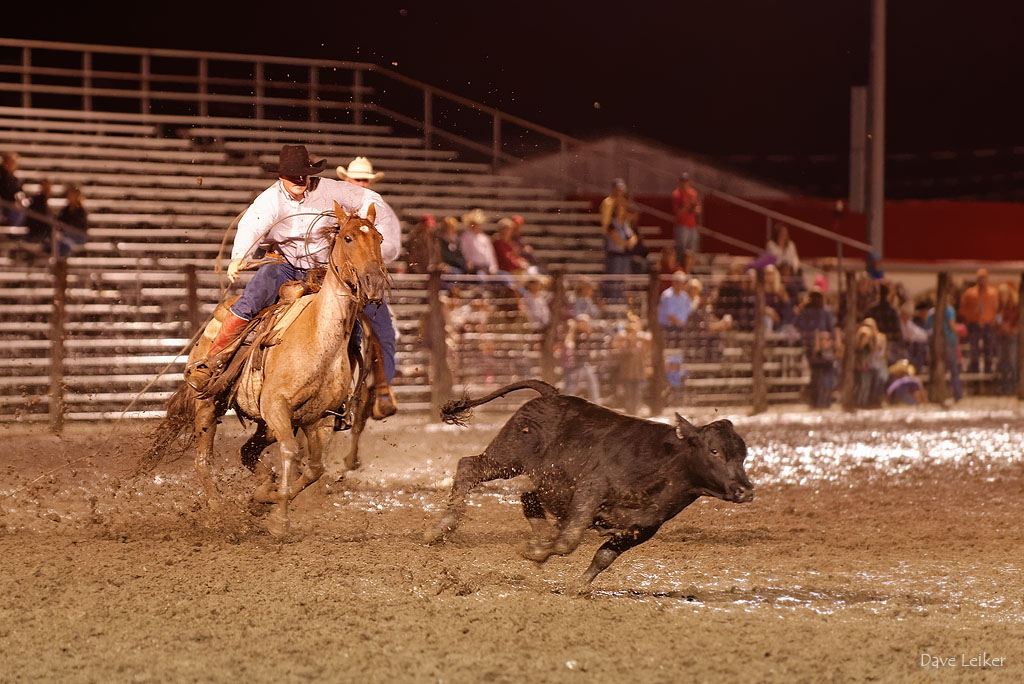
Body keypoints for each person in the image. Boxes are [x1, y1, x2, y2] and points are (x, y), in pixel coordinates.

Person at [187, 144, 402, 417]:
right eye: (293, 175)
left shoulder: (330, 189)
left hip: (326, 271)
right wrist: (239, 257)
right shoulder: (270, 200)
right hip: (285, 266)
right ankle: (213, 362)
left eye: (303, 174)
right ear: (281, 177)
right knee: (251, 301)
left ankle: (343, 387)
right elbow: (251, 224)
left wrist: (370, 222)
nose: (300, 179)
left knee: (352, 323)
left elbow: (369, 197)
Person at [794, 287, 840, 409]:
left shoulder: (825, 312)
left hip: (825, 347)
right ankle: (816, 400)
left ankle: (825, 400)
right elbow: (798, 327)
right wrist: (812, 339)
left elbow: (831, 329)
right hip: (811, 348)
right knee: (816, 374)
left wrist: (830, 342)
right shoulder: (805, 312)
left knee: (827, 374)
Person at [926, 292, 964, 403]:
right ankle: (957, 395)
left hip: (936, 343)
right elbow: (952, 324)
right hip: (949, 342)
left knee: (936, 369)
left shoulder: (932, 312)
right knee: (953, 369)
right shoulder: (949, 310)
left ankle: (936, 394)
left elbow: (928, 327)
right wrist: (959, 330)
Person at [958, 268, 998, 374]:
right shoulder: (969, 293)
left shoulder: (993, 293)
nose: (982, 280)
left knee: (988, 349)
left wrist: (997, 322)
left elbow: (998, 310)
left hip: (989, 325)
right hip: (974, 324)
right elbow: (962, 310)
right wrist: (971, 316)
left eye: (984, 278)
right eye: (980, 278)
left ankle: (988, 373)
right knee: (974, 349)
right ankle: (975, 374)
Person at [613, 317, 651, 415]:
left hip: (638, 375)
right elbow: (616, 345)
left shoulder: (641, 345)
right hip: (627, 376)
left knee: (637, 397)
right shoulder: (623, 345)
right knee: (629, 397)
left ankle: (635, 414)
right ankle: (630, 414)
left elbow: (649, 341)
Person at [561, 313, 601, 403]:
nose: (584, 325)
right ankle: (563, 403)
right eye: (582, 323)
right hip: (576, 366)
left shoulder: (587, 334)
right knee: (572, 388)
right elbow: (569, 344)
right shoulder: (574, 334)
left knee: (593, 385)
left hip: (585, 364)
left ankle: (596, 405)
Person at [853, 317, 888, 408]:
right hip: (867, 366)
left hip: (878, 365)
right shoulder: (863, 338)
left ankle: (875, 402)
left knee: (878, 384)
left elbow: (880, 352)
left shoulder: (880, 337)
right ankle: (862, 403)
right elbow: (861, 352)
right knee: (865, 385)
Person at [995, 282, 1019, 395]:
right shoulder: (999, 307)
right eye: (1001, 294)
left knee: (1012, 361)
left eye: (1004, 293)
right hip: (1002, 336)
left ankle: (1014, 386)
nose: (1002, 296)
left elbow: (1018, 321)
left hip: (1012, 336)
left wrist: (1013, 328)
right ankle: (1004, 387)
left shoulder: (1015, 306)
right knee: (1003, 361)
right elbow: (998, 320)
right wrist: (1000, 325)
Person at [671, 172, 701, 262]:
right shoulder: (676, 194)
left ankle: (689, 269)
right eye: (683, 181)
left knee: (692, 250)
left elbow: (698, 209)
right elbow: (678, 212)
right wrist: (688, 204)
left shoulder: (693, 193)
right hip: (681, 225)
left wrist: (695, 208)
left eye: (686, 181)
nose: (685, 183)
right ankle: (680, 267)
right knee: (681, 248)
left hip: (692, 225)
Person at [459, 208, 499, 274]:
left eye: (477, 224)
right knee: (481, 277)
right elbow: (464, 251)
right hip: (475, 267)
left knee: (504, 275)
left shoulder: (484, 237)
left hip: (487, 267)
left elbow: (490, 254)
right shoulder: (466, 237)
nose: (476, 226)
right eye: (474, 223)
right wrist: (468, 262)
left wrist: (493, 268)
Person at [0, 151, 27, 226]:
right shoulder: (2, 177)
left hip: (12, 207)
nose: (13, 165)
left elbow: (19, 191)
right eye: (11, 162)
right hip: (4, 207)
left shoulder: (14, 179)